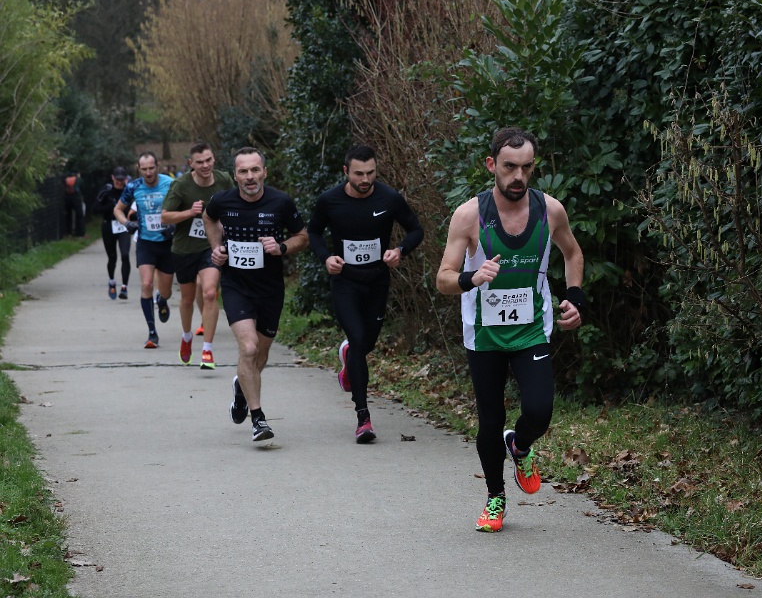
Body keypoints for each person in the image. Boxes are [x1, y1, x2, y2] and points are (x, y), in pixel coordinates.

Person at [436, 127, 585, 533]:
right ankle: (495, 497)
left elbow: (573, 253)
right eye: (509, 167)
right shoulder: (469, 215)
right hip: (484, 335)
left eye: (526, 167)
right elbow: (443, 278)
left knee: (539, 410)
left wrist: (575, 297)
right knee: (490, 418)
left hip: (531, 329)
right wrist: (471, 277)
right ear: (491, 165)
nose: (518, 176)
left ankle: (519, 445)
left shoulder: (550, 210)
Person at [307, 145, 424, 444]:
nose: (365, 179)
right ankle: (363, 417)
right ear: (346, 171)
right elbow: (314, 232)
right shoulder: (329, 200)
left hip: (377, 281)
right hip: (345, 281)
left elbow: (416, 230)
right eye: (359, 173)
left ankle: (349, 356)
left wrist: (400, 250)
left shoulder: (389, 198)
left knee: (366, 343)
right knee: (358, 340)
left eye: (370, 173)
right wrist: (326, 258)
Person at [203, 147, 308, 442]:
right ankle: (258, 419)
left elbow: (303, 236)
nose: (250, 176)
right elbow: (209, 219)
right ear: (235, 175)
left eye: (255, 170)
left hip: (270, 289)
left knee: (260, 354)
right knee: (248, 349)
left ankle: (241, 387)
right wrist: (216, 248)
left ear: (264, 172)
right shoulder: (222, 201)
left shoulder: (281, 202)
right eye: (243, 171)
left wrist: (281, 247)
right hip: (236, 286)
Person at [161, 142, 234, 369]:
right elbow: (165, 216)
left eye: (208, 160)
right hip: (184, 249)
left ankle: (207, 350)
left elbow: (236, 204)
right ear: (191, 163)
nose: (205, 165)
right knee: (187, 299)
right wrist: (189, 212)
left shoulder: (224, 180)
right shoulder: (181, 185)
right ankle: (186, 337)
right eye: (200, 162)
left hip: (211, 246)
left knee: (210, 292)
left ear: (214, 159)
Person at [113, 152, 176, 349]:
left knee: (165, 291)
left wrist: (174, 225)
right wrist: (126, 224)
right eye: (144, 169)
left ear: (158, 166)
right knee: (147, 283)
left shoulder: (170, 184)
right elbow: (117, 209)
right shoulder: (133, 187)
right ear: (138, 169)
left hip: (167, 243)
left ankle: (162, 300)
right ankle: (152, 332)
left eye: (151, 168)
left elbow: (184, 207)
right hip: (146, 243)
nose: (148, 173)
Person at [93, 167, 132, 300]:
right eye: (117, 179)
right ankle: (112, 281)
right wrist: (111, 208)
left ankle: (124, 287)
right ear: (112, 178)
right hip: (109, 226)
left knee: (125, 255)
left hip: (123, 226)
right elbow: (95, 209)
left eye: (122, 180)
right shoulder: (106, 191)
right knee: (112, 257)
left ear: (125, 179)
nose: (119, 182)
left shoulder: (129, 191)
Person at [63, 170, 86, 237]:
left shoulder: (66, 179)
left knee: (68, 216)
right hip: (76, 198)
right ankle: (81, 233)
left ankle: (69, 232)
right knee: (80, 215)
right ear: (78, 173)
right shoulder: (79, 180)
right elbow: (83, 188)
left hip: (67, 199)